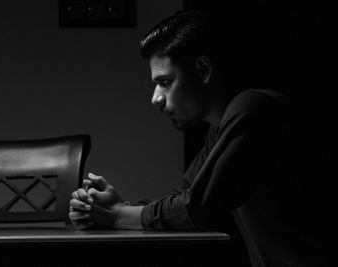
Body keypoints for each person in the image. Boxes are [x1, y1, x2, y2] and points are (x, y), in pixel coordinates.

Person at [69, 10, 326, 267]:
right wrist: (116, 208)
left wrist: (117, 216)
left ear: (203, 70)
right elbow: (184, 198)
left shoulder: (254, 108)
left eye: (165, 81)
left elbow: (197, 208)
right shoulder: (221, 128)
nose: (155, 98)